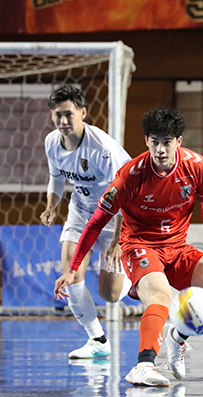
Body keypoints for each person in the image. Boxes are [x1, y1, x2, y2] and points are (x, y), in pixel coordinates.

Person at [55, 108, 203, 386]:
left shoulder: (197, 165)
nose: (160, 150)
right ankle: (144, 366)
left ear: (179, 141)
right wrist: (73, 268)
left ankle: (178, 337)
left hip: (177, 247)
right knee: (160, 295)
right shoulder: (129, 176)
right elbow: (94, 224)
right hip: (139, 246)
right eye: (155, 142)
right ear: (146, 141)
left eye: (167, 142)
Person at [40, 84, 132, 359]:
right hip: (80, 212)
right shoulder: (51, 142)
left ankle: (134, 277)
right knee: (70, 273)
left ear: (83, 113)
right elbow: (56, 178)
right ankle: (97, 340)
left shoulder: (101, 148)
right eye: (58, 115)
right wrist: (51, 207)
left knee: (110, 294)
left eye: (68, 114)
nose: (63, 121)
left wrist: (118, 239)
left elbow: (124, 193)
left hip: (115, 215)